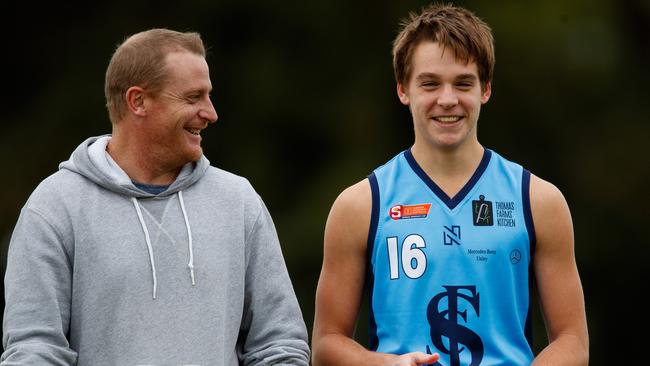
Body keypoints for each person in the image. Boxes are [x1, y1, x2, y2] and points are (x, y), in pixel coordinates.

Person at [2, 28, 310, 365]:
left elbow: (279, 344)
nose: (211, 113)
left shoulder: (238, 202)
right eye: (194, 97)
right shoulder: (55, 208)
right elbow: (35, 351)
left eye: (208, 96)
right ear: (138, 101)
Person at [312, 3, 588, 366]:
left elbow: (573, 340)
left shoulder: (536, 199)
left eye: (463, 83)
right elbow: (325, 344)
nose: (447, 99)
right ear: (402, 90)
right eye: (429, 83)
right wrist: (388, 364)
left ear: (485, 89)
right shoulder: (361, 205)